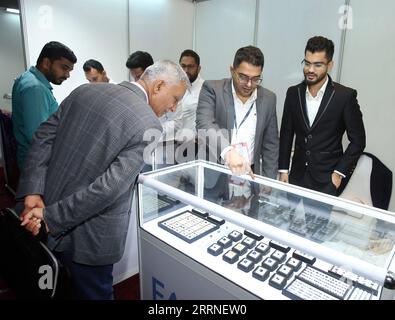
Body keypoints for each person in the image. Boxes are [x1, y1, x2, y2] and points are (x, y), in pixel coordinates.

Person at [17, 60, 189, 300]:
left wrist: (33, 193)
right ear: (158, 86)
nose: (173, 108)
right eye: (175, 99)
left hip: (45, 207)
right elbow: (108, 189)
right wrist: (51, 217)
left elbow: (42, 138)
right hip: (90, 239)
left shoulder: (85, 91)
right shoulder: (149, 125)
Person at [278, 36, 366, 196]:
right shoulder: (293, 93)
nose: (310, 70)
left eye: (317, 65)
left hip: (327, 179)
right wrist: (283, 169)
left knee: (317, 222)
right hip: (295, 176)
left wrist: (339, 173)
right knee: (286, 219)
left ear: (330, 65)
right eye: (307, 63)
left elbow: (358, 141)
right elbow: (286, 134)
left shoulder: (345, 96)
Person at [196, 45, 279, 179]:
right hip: (216, 173)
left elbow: (271, 144)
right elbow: (204, 124)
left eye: (256, 79)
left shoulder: (269, 98)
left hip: (249, 176)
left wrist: (268, 179)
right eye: (243, 77)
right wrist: (228, 151)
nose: (249, 84)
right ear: (232, 70)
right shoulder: (212, 89)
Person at [11, 41, 77, 170]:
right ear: (46, 63)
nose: (67, 75)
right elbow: (38, 138)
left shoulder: (27, 77)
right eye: (64, 68)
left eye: (69, 70)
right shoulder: (35, 88)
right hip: (38, 165)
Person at [175, 49, 205, 161]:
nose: (186, 70)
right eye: (183, 66)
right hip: (173, 143)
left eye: (190, 66)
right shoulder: (175, 86)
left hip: (193, 146)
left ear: (199, 68)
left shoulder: (205, 89)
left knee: (188, 178)